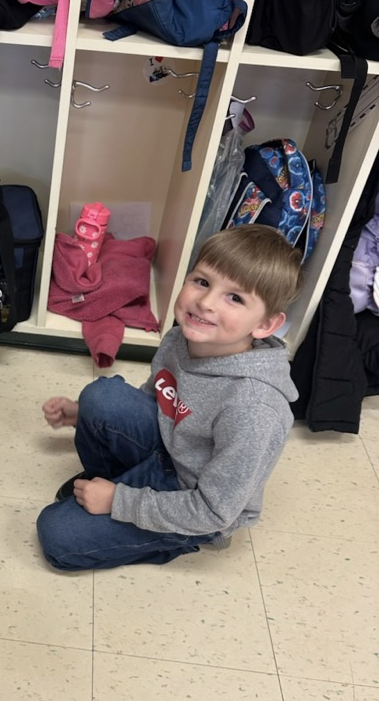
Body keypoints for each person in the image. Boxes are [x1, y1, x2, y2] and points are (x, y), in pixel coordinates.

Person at [37, 224, 303, 569]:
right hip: (169, 448)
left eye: (234, 297)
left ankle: (177, 538)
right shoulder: (184, 337)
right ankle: (116, 482)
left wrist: (121, 501)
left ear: (266, 325)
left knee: (57, 535)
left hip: (195, 501)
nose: (205, 303)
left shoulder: (253, 407)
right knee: (101, 396)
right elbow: (157, 398)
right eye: (202, 282)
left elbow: (214, 510)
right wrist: (81, 414)